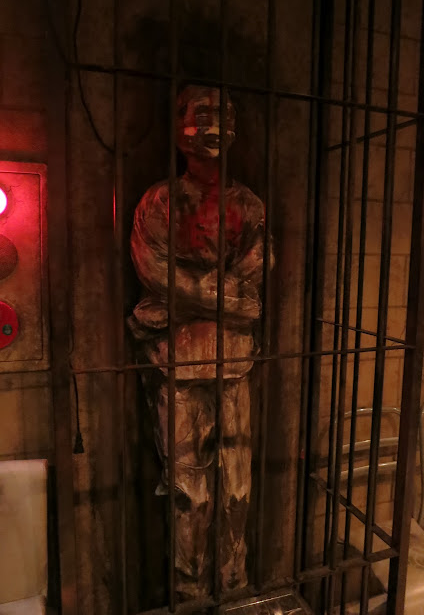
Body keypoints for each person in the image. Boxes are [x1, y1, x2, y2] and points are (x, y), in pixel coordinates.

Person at [129, 85, 267, 599]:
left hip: (235, 362)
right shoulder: (159, 202)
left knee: (237, 489)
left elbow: (256, 269)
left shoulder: (249, 206)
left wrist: (187, 296)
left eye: (223, 114)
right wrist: (229, 301)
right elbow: (154, 272)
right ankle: (189, 595)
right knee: (189, 491)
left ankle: (233, 587)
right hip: (178, 362)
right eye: (201, 114)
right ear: (177, 126)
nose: (213, 125)